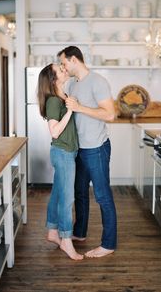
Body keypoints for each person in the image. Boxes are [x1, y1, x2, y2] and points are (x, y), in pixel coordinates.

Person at [57, 46, 117, 258]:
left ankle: (108, 244)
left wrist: (80, 107)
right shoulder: (72, 83)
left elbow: (110, 115)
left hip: (96, 148)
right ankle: (80, 232)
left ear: (74, 59)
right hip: (79, 149)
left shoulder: (98, 82)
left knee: (102, 196)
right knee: (80, 193)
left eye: (64, 63)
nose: (63, 67)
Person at [37, 63, 83, 261]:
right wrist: (71, 111)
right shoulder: (54, 101)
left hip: (67, 153)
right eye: (60, 69)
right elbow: (54, 132)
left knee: (57, 194)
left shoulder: (63, 96)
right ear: (53, 79)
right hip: (62, 153)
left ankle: (52, 231)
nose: (64, 69)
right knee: (67, 199)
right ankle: (65, 239)